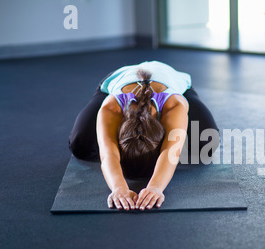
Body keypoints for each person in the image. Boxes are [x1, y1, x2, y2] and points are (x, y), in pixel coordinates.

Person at [69, 60, 219, 211]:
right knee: (80, 144)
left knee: (206, 144)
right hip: (119, 79)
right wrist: (118, 188)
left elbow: (171, 151)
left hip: (171, 78)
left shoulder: (174, 104)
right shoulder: (111, 106)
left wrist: (156, 187)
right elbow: (108, 154)